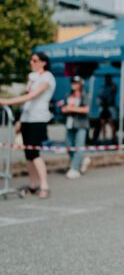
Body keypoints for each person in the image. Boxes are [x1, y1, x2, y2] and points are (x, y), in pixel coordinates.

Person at [0, 52, 56, 198]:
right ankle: (33, 184)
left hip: (38, 119)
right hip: (27, 118)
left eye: (35, 60)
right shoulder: (32, 77)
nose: (32, 63)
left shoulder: (47, 77)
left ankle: (44, 185)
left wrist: (6, 101)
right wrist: (20, 120)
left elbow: (32, 96)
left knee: (35, 153)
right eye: (31, 60)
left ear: (43, 62)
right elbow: (26, 101)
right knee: (28, 155)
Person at [59, 76, 90, 179]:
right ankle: (81, 161)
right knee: (68, 145)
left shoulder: (84, 95)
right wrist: (65, 109)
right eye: (72, 83)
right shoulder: (68, 95)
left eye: (76, 83)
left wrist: (72, 108)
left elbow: (86, 109)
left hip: (81, 124)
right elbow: (63, 107)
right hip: (70, 123)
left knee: (79, 145)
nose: (73, 85)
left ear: (80, 84)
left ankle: (74, 168)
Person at [92, 75, 117, 143]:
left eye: (109, 78)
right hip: (103, 106)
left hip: (110, 106)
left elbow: (114, 91)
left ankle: (113, 138)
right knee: (102, 123)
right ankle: (104, 138)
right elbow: (100, 96)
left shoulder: (113, 86)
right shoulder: (103, 87)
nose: (107, 80)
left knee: (111, 123)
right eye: (106, 79)